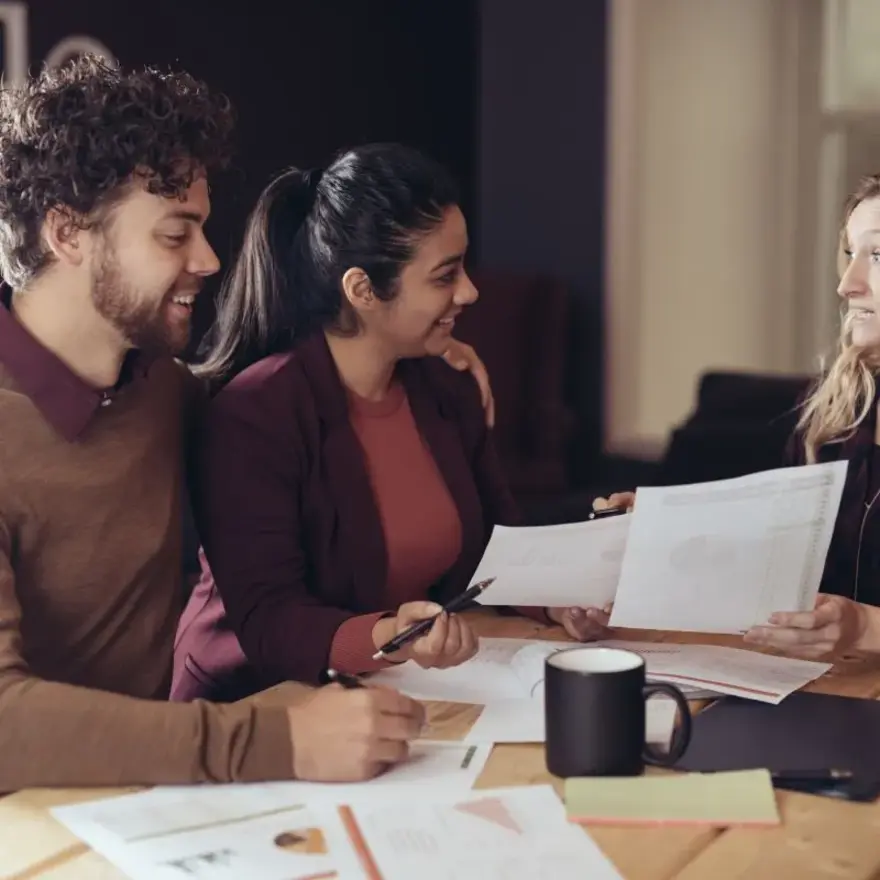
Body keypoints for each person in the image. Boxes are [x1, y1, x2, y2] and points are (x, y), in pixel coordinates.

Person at [0, 56, 442, 791]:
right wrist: (277, 743)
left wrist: (424, 355)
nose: (209, 259)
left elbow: (283, 399)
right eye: (176, 235)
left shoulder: (163, 392)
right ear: (68, 235)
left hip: (141, 809)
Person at [171, 143, 610, 702]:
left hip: (398, 687)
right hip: (256, 701)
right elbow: (271, 620)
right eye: (445, 276)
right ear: (362, 291)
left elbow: (497, 544)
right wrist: (393, 636)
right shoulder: (256, 416)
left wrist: (554, 600)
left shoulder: (447, 387)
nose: (470, 291)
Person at [596, 173, 880, 660]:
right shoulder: (838, 414)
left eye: (877, 255)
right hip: (827, 690)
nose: (846, 285)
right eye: (850, 254)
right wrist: (669, 529)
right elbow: (791, 555)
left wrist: (864, 628)